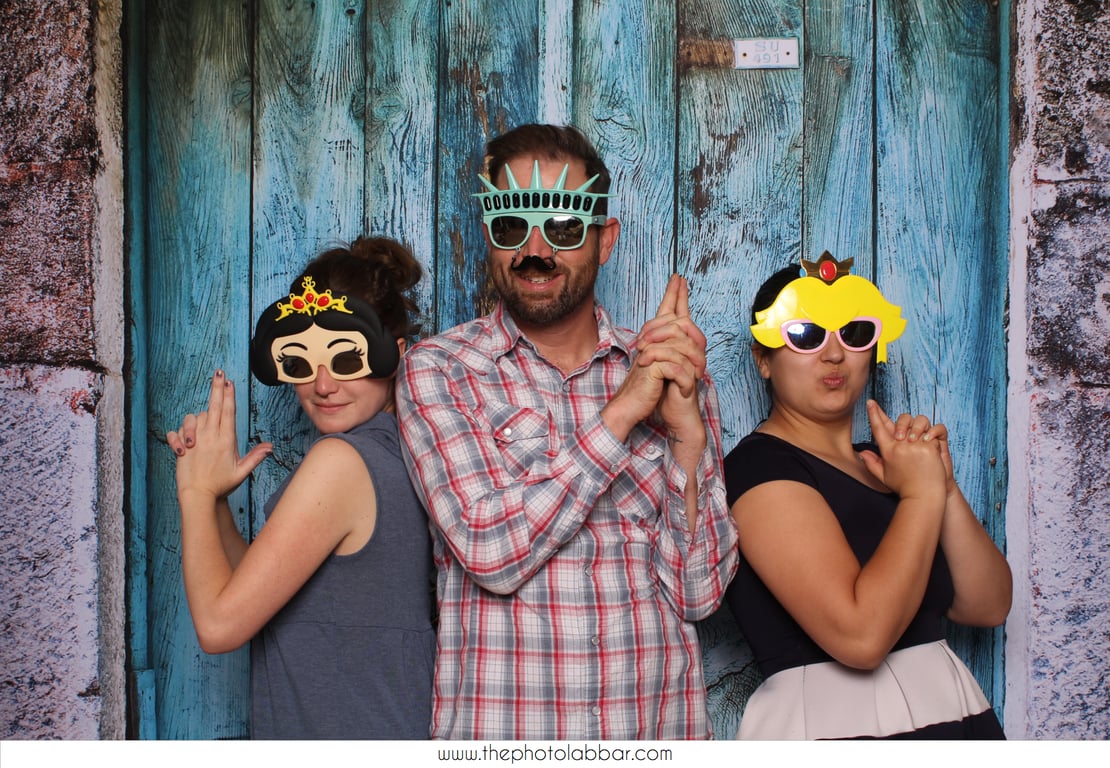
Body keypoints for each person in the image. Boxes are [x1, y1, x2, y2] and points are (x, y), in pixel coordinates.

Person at [395, 124, 739, 740]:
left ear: (604, 241)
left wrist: (685, 434)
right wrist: (623, 413)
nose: (534, 250)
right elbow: (489, 551)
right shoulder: (442, 371)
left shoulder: (671, 377)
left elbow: (699, 594)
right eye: (510, 228)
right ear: (489, 237)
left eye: (562, 228)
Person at [723, 253, 1013, 739]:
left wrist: (940, 481)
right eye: (806, 334)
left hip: (951, 712)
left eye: (854, 333)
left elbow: (986, 605)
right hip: (839, 725)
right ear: (763, 359)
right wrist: (920, 497)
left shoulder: (891, 463)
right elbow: (861, 638)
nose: (834, 354)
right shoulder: (757, 468)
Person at [166, 236, 435, 740]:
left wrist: (195, 495)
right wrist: (217, 498)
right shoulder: (395, 452)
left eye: (346, 359)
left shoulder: (341, 462)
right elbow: (260, 594)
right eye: (300, 363)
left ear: (394, 355)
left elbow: (219, 627)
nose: (322, 384)